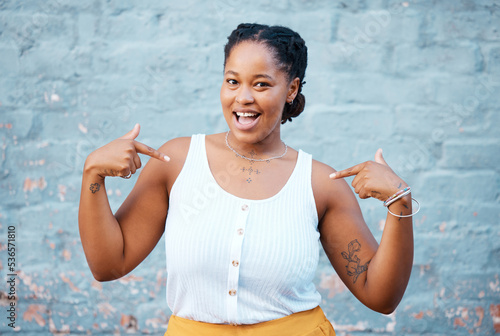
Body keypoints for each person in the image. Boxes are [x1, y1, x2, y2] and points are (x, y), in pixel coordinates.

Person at [79, 23, 417, 336]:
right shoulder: (176, 161)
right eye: (232, 81)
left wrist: (399, 201)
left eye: (261, 84)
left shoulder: (320, 184)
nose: (243, 97)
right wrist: (93, 175)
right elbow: (109, 265)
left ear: (291, 89)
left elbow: (380, 296)